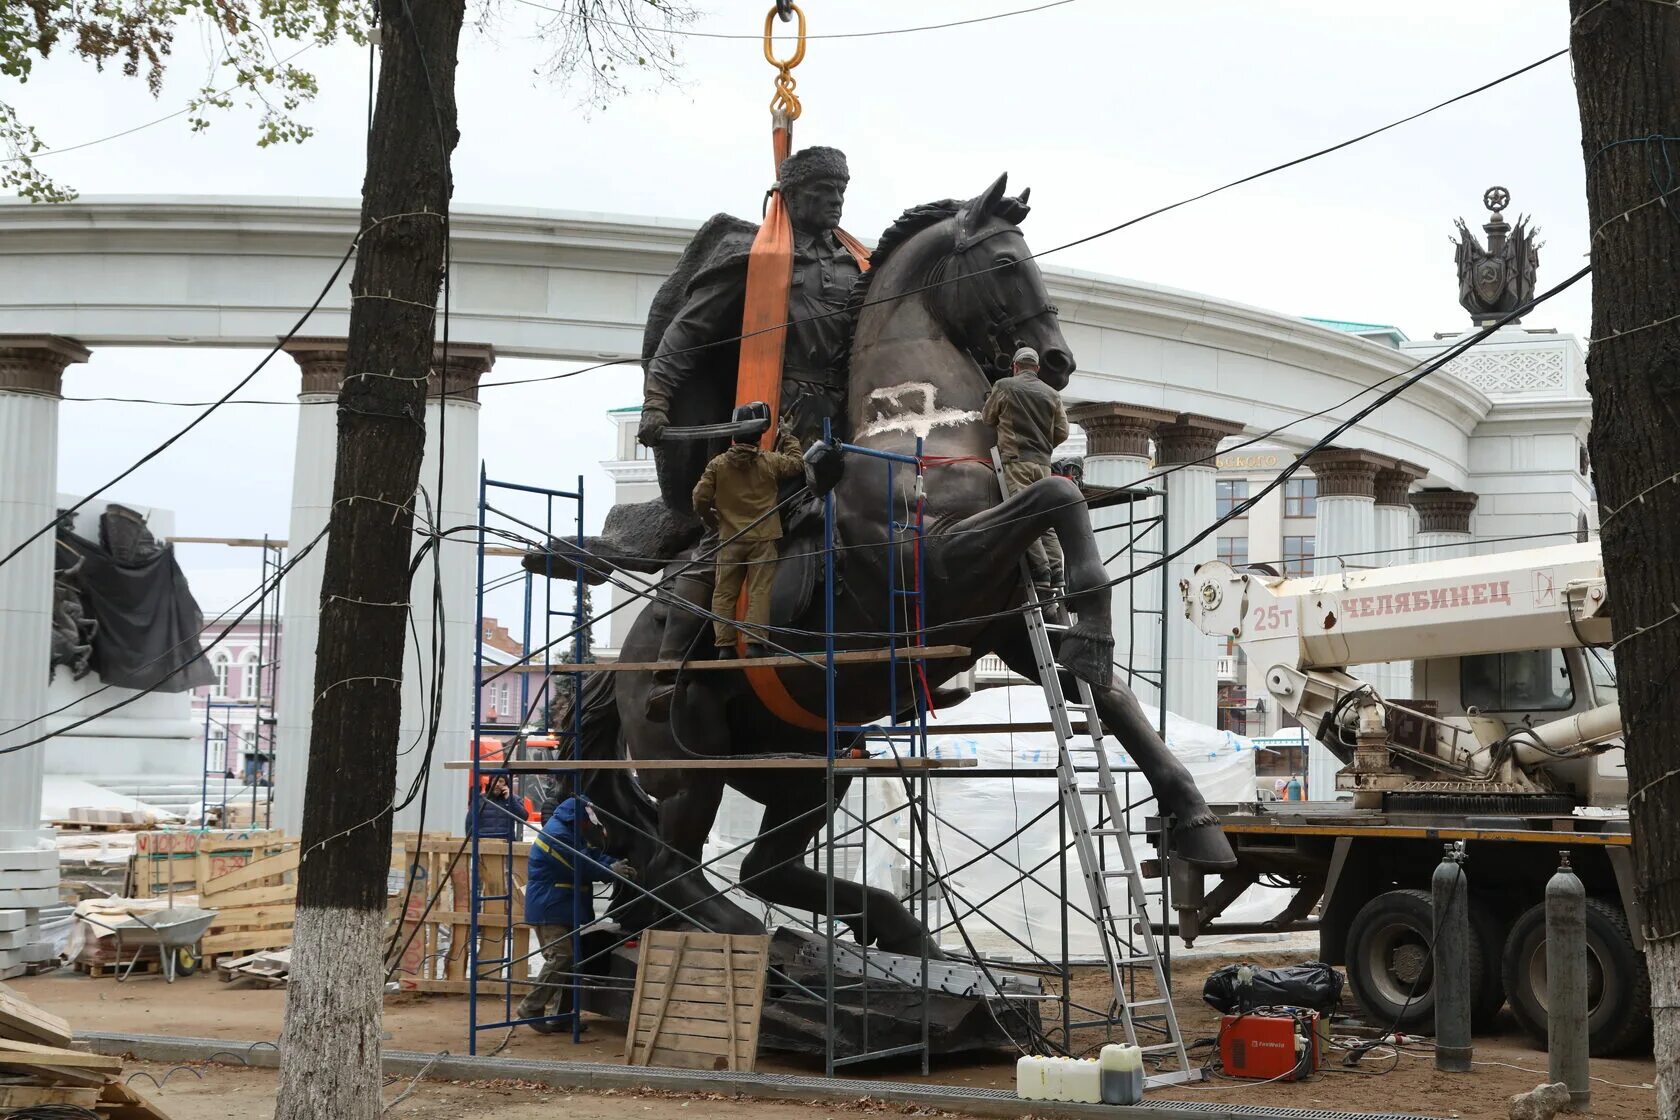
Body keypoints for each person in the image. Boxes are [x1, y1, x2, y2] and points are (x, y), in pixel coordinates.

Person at [691, 402, 808, 658]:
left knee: (724, 592)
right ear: (759, 435)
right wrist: (787, 436)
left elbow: (699, 497)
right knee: (759, 590)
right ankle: (755, 644)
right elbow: (798, 465)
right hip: (763, 538)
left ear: (734, 434)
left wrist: (710, 520)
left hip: (729, 538)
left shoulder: (718, 465)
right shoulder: (770, 462)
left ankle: (724, 647)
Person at [518, 796, 633, 1031]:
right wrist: (610, 870)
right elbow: (579, 864)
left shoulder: (573, 832)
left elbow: (592, 856)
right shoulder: (557, 834)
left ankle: (561, 1016)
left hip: (566, 907)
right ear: (579, 818)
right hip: (550, 908)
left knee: (574, 960)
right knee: (562, 956)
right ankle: (531, 1006)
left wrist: (615, 864)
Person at [982, 346, 1069, 593]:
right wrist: (1043, 446)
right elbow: (1062, 432)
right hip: (1043, 466)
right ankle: (1057, 572)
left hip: (1016, 461)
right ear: (1038, 369)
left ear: (1015, 367)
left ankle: (1041, 570)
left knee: (1024, 517)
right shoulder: (1052, 394)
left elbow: (988, 418)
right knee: (1047, 521)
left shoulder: (1005, 386)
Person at [465, 774, 523, 842]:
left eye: (501, 781)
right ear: (490, 783)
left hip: (506, 844)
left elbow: (522, 818)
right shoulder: (480, 800)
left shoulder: (513, 799)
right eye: (494, 781)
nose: (497, 784)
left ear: (506, 784)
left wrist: (510, 799)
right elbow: (469, 823)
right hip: (483, 843)